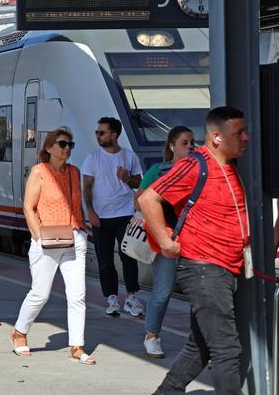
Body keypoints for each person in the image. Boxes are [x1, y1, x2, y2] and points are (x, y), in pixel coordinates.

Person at [141, 107, 250, 394]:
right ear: (216, 137)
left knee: (199, 346)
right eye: (238, 133)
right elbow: (148, 198)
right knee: (226, 349)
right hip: (204, 268)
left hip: (227, 267)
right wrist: (165, 240)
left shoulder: (232, 166)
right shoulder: (194, 165)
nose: (245, 138)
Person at [10, 129, 95, 364]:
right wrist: (38, 237)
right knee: (40, 293)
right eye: (62, 144)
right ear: (49, 148)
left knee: (78, 295)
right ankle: (19, 332)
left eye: (70, 144)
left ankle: (77, 346)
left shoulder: (74, 172)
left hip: (74, 238)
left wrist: (82, 224)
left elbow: (76, 203)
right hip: (47, 238)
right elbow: (28, 207)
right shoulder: (39, 172)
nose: (67, 148)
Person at [134, 126, 195, 358]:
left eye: (192, 142)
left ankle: (200, 342)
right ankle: (152, 335)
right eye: (184, 143)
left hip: (194, 239)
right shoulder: (157, 171)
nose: (190, 146)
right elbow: (138, 202)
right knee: (163, 290)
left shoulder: (200, 171)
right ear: (171, 146)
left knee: (200, 293)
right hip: (166, 239)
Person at [82, 116, 144, 317]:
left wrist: (127, 178)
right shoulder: (93, 158)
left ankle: (132, 298)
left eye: (101, 132)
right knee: (105, 259)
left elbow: (138, 183)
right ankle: (111, 298)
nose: (98, 136)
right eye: (97, 132)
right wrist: (90, 211)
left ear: (114, 135)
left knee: (129, 257)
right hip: (101, 216)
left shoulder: (129, 156)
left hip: (125, 213)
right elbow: (87, 186)